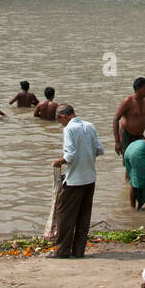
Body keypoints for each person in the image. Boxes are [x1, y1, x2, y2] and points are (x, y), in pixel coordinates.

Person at [50, 105, 104, 258]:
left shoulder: (69, 129)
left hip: (74, 180)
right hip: (90, 178)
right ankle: (79, 251)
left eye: (60, 121)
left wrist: (59, 161)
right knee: (83, 217)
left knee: (65, 215)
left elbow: (70, 155)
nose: (61, 124)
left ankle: (62, 251)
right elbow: (99, 149)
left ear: (63, 116)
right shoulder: (89, 126)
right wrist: (86, 156)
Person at [114, 77, 145, 152]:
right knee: (129, 160)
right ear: (138, 89)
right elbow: (116, 119)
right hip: (127, 135)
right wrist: (117, 142)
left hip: (139, 135)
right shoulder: (128, 101)